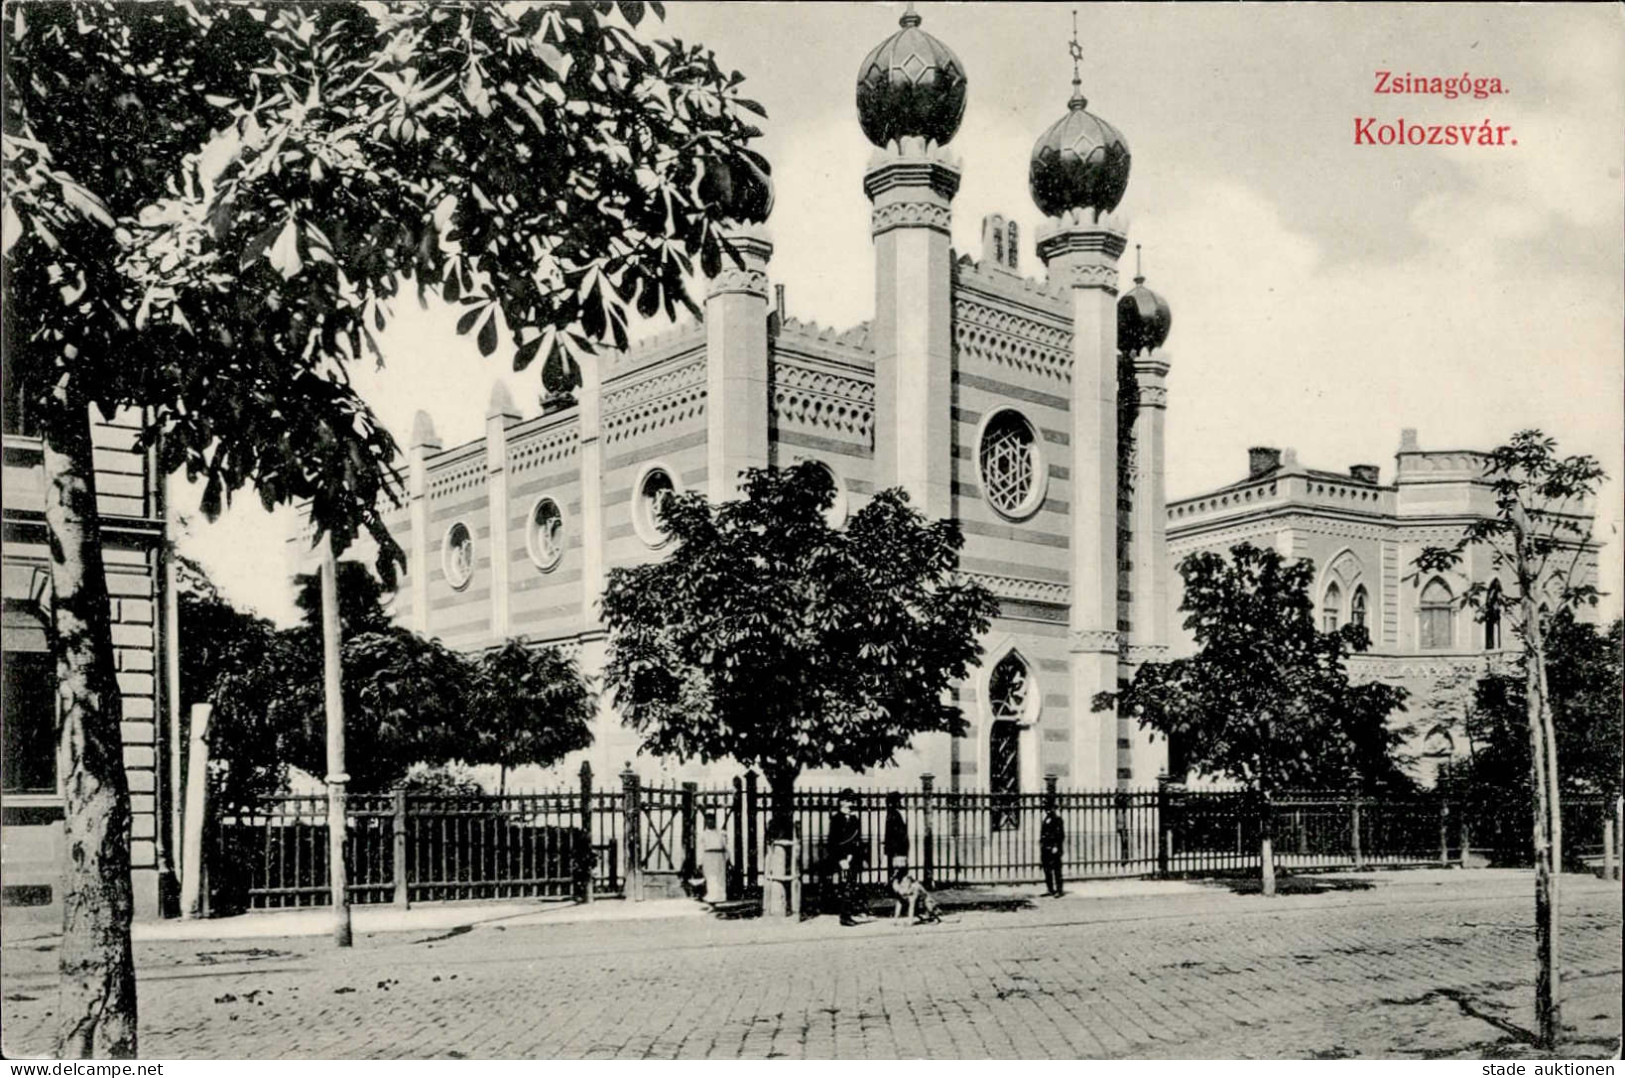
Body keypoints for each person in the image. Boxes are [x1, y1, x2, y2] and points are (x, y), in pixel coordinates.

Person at [828, 789, 865, 925]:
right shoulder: (836, 819)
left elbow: (857, 840)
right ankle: (844, 917)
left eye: (853, 801)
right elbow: (833, 842)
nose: (851, 804)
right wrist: (842, 859)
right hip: (842, 859)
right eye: (849, 801)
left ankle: (849, 914)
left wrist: (854, 856)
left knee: (851, 885)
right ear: (842, 802)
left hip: (853, 858)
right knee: (845, 888)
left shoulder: (855, 819)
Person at [1040, 798, 1065, 897]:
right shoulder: (1046, 819)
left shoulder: (1057, 819)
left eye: (1050, 808)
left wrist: (1056, 846)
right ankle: (1050, 889)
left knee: (1056, 869)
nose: (1048, 810)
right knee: (1047, 869)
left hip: (1054, 848)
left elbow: (1060, 835)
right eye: (1046, 808)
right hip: (1045, 847)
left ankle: (1059, 890)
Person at [883, 791, 909, 874]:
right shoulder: (895, 815)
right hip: (897, 850)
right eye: (898, 800)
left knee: (894, 871)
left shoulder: (891, 814)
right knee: (898, 872)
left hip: (894, 849)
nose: (900, 802)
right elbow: (899, 834)